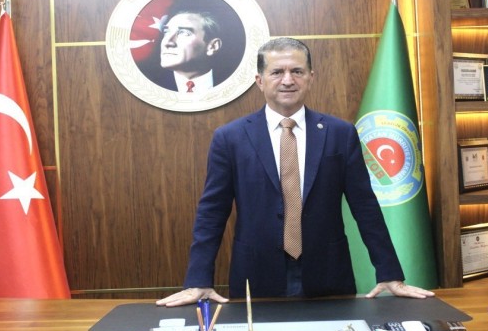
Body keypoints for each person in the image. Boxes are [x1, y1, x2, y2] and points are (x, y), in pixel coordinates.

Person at [156, 37, 434, 307]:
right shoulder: (230, 138)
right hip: (256, 276)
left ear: (311, 78)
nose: (288, 80)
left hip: (328, 274)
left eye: (297, 71)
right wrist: (198, 279)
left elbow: (366, 207)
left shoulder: (340, 133)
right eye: (277, 72)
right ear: (260, 80)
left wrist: (389, 272)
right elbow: (212, 213)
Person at [155, 10, 224, 93]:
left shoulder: (229, 81)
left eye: (184, 33)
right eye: (166, 32)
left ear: (212, 47)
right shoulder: (151, 85)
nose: (167, 42)